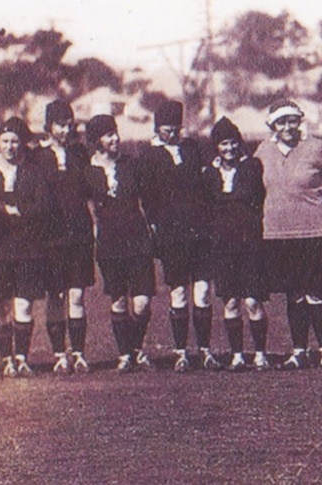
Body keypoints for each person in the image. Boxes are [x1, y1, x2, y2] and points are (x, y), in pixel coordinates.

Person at [259, 99, 322, 370]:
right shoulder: (262, 152)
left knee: (316, 293)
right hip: (278, 235)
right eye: (281, 122)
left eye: (292, 120)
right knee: (293, 295)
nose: (287, 127)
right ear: (272, 125)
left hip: (314, 231)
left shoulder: (318, 148)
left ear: (300, 121)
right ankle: (299, 350)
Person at [141, 100, 218, 372]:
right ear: (157, 128)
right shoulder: (149, 155)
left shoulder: (192, 149)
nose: (172, 135)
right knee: (179, 294)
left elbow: (207, 183)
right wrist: (155, 227)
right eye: (166, 130)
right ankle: (181, 351)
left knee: (203, 291)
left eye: (175, 129)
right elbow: (147, 198)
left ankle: (206, 350)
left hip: (198, 231)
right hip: (171, 235)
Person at [83, 114, 155, 372]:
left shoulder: (131, 164)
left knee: (142, 301)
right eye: (108, 134)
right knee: (119, 300)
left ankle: (135, 348)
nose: (115, 138)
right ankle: (126, 354)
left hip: (137, 238)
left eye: (115, 132)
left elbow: (147, 199)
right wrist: (94, 231)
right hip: (109, 241)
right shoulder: (88, 170)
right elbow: (88, 205)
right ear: (97, 140)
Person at [201, 117, 270, 372]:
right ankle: (238, 354)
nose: (228, 148)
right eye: (223, 144)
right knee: (230, 302)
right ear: (216, 147)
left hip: (250, 244)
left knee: (252, 301)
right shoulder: (209, 173)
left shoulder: (252, 167)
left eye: (232, 143)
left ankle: (260, 353)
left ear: (239, 143)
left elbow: (259, 199)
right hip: (223, 247)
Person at [33, 100, 94, 374]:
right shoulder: (36, 157)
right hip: (50, 238)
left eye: (69, 124)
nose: (66, 129)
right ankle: (60, 354)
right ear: (49, 126)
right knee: (56, 296)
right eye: (60, 124)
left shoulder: (80, 153)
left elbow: (91, 190)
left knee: (77, 294)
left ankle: (79, 353)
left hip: (79, 234)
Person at [0, 117, 47, 377]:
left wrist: (12, 209)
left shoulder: (33, 171)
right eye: (5, 141)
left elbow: (42, 206)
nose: (10, 146)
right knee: (1, 305)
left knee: (23, 305)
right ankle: (7, 358)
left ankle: (22, 358)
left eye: (14, 141)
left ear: (21, 143)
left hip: (27, 247)